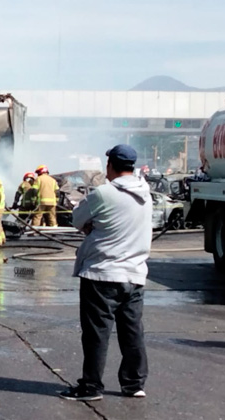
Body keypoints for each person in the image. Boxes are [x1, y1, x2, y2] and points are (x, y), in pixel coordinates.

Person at [60, 144, 151, 401]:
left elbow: (77, 219)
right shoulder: (145, 193)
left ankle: (91, 386)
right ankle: (134, 384)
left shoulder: (103, 193)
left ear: (110, 165)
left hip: (102, 274)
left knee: (96, 333)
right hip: (134, 274)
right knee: (132, 331)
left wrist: (93, 226)